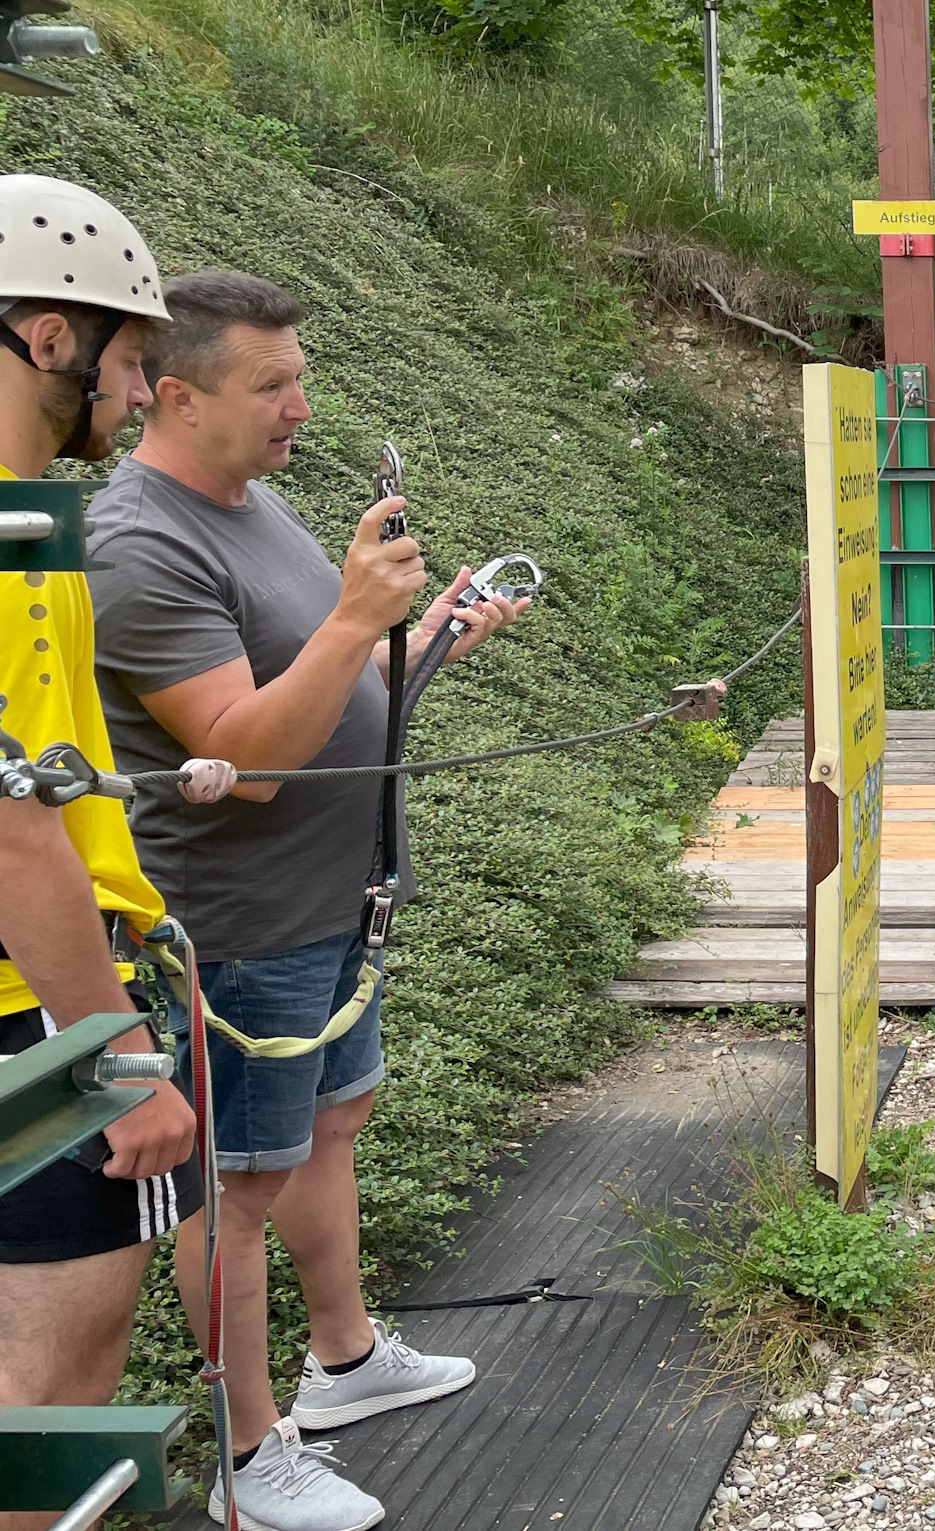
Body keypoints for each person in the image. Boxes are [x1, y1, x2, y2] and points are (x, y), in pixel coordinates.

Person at [85, 271, 529, 1529]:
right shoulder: (140, 545)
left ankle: (343, 1361)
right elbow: (247, 765)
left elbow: (324, 679)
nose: (300, 407)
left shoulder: (247, 500)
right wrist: (350, 620)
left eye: (300, 377)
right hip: (236, 930)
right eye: (270, 384)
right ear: (175, 395)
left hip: (334, 904)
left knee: (333, 1124)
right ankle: (246, 1449)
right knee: (237, 1185)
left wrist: (422, 631)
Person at [0, 176, 233, 1531]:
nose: (142, 393)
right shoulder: (17, 539)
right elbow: (15, 827)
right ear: (48, 340)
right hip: (36, 1029)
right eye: (135, 360)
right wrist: (120, 1054)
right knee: (54, 1394)